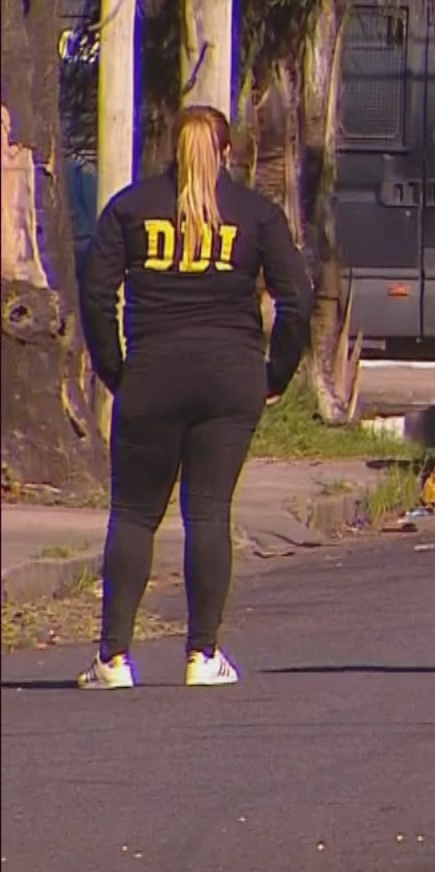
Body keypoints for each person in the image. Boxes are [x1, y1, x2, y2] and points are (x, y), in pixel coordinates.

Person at [76, 105, 314, 689]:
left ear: (169, 150)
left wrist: (116, 372)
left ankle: (114, 659)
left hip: (153, 373)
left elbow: (96, 293)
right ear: (227, 154)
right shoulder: (254, 214)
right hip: (231, 377)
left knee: (134, 513)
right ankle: (202, 655)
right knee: (208, 512)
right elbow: (297, 299)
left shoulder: (131, 209)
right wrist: (273, 375)